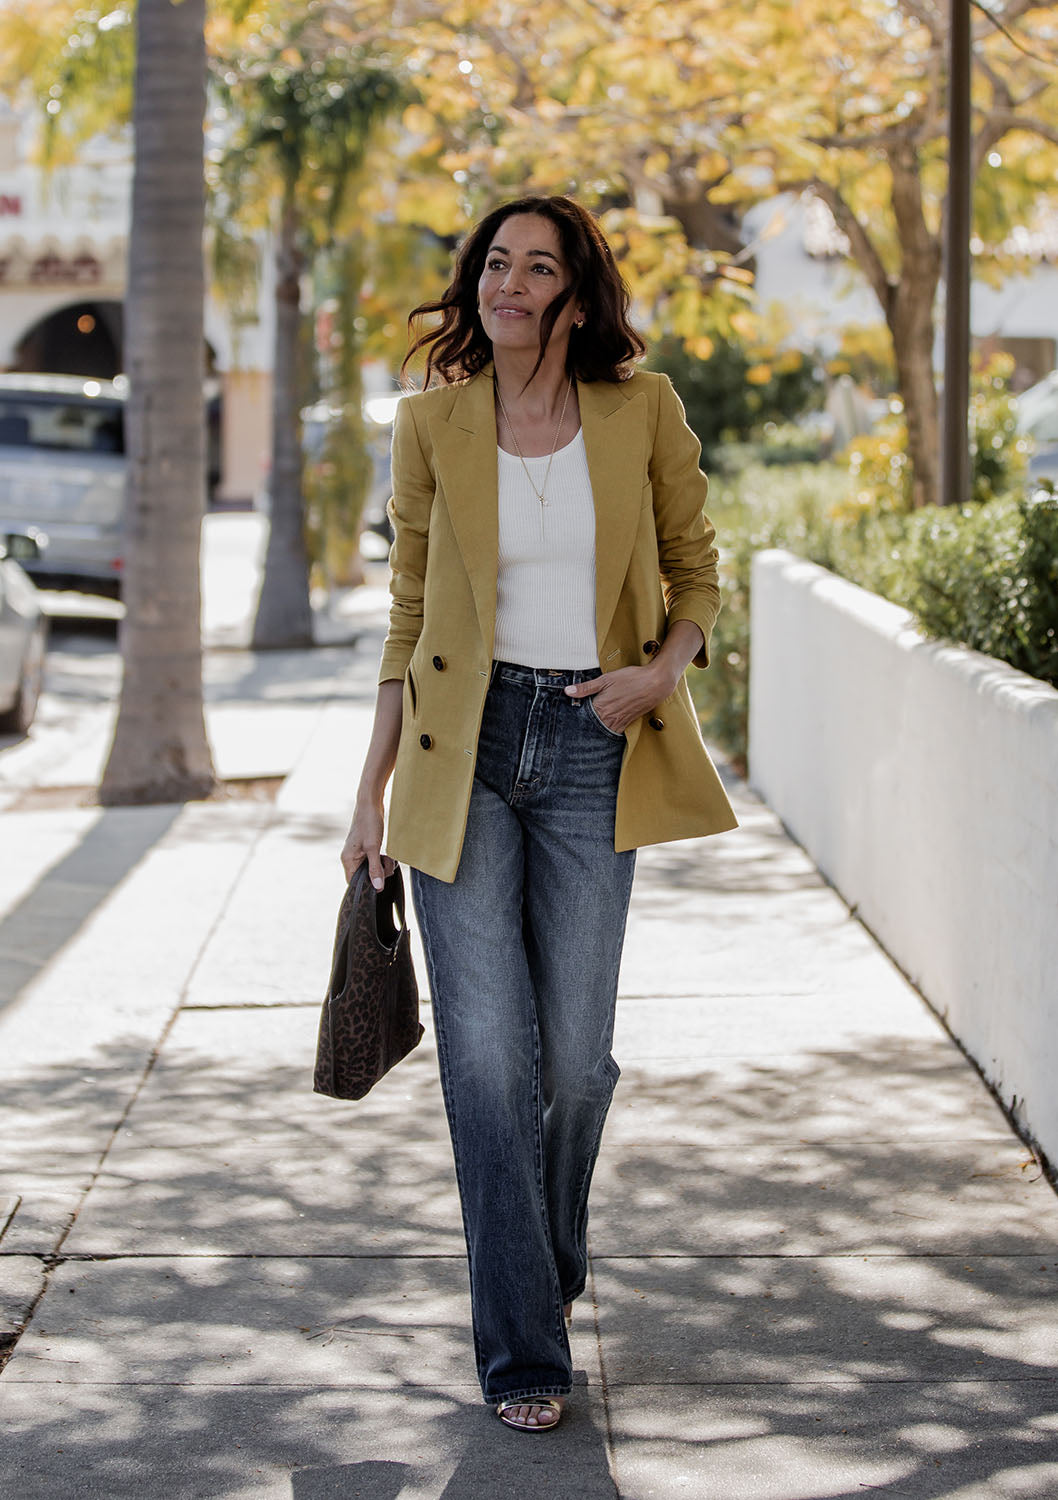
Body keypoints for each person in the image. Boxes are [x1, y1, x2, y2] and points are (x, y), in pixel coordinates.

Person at [340, 195, 737, 1432]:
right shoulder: (429, 425)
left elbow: (696, 570)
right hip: (461, 752)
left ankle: (545, 1257)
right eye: (493, 264)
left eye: (535, 267)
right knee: (483, 1061)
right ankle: (521, 1346)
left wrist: (658, 672)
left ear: (575, 294)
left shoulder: (641, 410)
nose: (507, 283)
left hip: (588, 742)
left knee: (573, 1058)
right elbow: (409, 618)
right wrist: (368, 793)